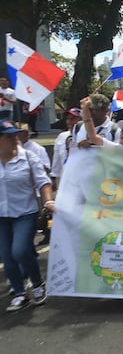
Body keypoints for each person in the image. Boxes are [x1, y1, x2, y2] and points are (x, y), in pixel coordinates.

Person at [1, 121, 53, 311]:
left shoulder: (28, 157)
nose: (14, 139)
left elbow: (43, 182)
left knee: (21, 251)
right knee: (7, 258)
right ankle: (20, 293)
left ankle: (38, 285)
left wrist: (48, 201)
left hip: (25, 213)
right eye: (8, 137)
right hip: (1, 217)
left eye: (15, 135)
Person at [50, 108, 81, 190]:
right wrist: (53, 176)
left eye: (73, 119)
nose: (69, 121)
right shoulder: (62, 136)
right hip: (65, 179)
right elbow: (56, 157)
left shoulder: (86, 136)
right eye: (68, 119)